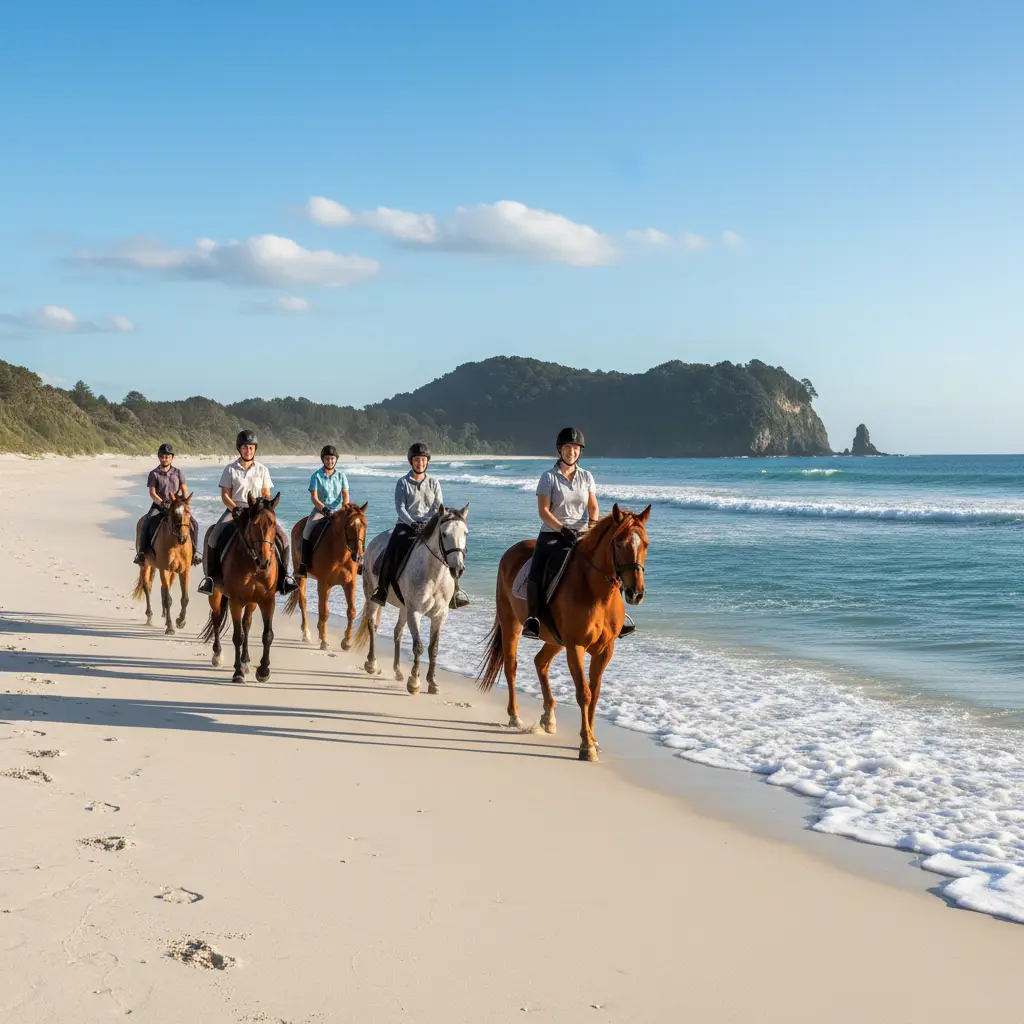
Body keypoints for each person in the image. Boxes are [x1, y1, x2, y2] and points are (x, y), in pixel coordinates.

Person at [521, 426, 633, 640]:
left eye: (575, 448)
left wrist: (592, 528)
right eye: (567, 448)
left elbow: (593, 506)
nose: (571, 452)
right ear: (559, 450)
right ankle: (533, 618)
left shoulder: (587, 476)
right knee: (537, 570)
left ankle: (619, 616)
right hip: (553, 533)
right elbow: (543, 512)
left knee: (611, 564)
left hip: (582, 533)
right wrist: (562, 529)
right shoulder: (548, 477)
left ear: (580, 451)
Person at [197, 430, 298, 596]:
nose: (248, 451)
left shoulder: (262, 470)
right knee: (214, 536)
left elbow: (266, 494)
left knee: (284, 539)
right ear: (239, 449)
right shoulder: (230, 470)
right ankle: (211, 579)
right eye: (245, 447)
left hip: (257, 511)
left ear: (255, 449)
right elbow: (225, 496)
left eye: (251, 448)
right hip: (235, 509)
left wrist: (261, 505)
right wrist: (235, 508)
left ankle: (284, 578)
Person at [370, 442, 470, 609]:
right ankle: (382, 589)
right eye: (417, 460)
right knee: (391, 549)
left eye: (423, 460)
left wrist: (436, 522)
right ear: (411, 462)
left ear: (427, 462)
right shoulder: (402, 483)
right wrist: (412, 523)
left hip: (429, 526)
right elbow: (400, 508)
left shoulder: (434, 482)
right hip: (406, 526)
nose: (420, 463)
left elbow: (439, 507)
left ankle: (454, 591)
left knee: (454, 549)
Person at [133, 443, 202, 567]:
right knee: (147, 523)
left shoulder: (178, 473)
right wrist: (161, 502)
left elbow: (184, 488)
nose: (165, 459)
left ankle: (195, 553)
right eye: (162, 456)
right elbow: (152, 493)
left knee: (194, 524)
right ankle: (142, 553)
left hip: (176, 506)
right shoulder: (154, 474)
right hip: (159, 506)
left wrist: (185, 502)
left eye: (167, 457)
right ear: (159, 457)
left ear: (172, 457)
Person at [295, 445, 350, 578]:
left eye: (332, 459)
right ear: (323, 459)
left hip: (338, 510)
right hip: (321, 509)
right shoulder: (316, 476)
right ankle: (304, 564)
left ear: (335, 460)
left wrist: (345, 507)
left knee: (355, 528)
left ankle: (357, 560)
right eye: (327, 459)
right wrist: (324, 509)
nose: (330, 461)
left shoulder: (342, 476)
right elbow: (314, 498)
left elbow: (346, 495)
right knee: (308, 529)